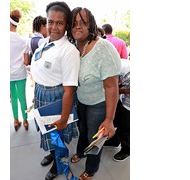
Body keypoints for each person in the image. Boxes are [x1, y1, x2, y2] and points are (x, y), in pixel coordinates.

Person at [69, 7, 121, 180]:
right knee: (82, 131)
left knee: (95, 137)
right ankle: (81, 153)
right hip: (81, 101)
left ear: (91, 24)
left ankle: (91, 169)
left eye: (83, 22)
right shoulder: (73, 46)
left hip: (99, 104)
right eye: (74, 23)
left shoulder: (103, 48)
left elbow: (112, 87)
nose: (78, 26)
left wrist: (109, 119)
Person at [30, 2, 80, 180]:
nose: (54, 27)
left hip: (57, 97)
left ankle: (58, 166)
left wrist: (64, 118)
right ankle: (53, 154)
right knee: (47, 131)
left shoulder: (69, 51)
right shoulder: (44, 42)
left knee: (57, 133)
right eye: (51, 22)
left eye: (59, 23)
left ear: (67, 25)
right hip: (41, 93)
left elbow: (69, 90)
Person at [105, 58, 130, 162]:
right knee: (115, 121)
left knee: (125, 128)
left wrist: (118, 91)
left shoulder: (127, 70)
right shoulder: (114, 64)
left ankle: (126, 150)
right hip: (123, 99)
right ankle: (114, 141)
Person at [10, 9, 30, 131]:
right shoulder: (23, 41)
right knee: (23, 97)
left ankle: (16, 120)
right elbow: (26, 62)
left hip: (7, 75)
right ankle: (26, 120)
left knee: (14, 97)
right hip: (21, 73)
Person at [26, 15, 48, 87]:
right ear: (42, 26)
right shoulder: (41, 41)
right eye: (47, 26)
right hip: (43, 76)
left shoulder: (32, 39)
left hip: (37, 74)